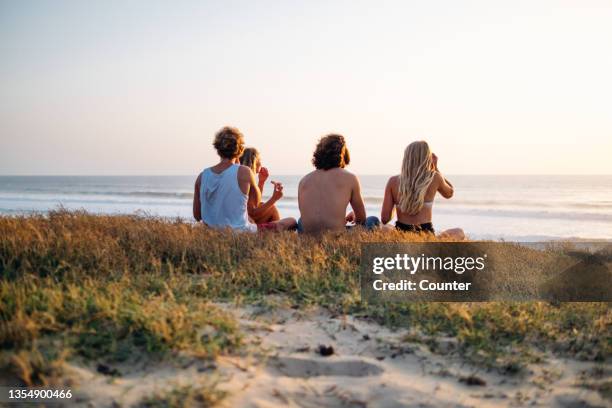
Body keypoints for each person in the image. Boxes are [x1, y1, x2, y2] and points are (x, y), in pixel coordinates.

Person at [193, 126, 296, 232]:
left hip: (212, 233)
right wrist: (273, 196)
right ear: (240, 149)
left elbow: (197, 216)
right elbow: (256, 202)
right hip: (242, 233)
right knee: (291, 221)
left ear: (217, 149)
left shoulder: (202, 176)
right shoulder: (244, 172)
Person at [380, 140, 464, 239]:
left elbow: (385, 219)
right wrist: (436, 168)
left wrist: (397, 203)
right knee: (459, 232)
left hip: (402, 236)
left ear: (407, 158)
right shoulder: (435, 177)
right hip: (426, 237)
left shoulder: (393, 181)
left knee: (381, 226)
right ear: (427, 158)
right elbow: (449, 193)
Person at [298, 134, 380, 233]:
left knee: (300, 221)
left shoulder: (303, 181)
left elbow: (306, 216)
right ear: (342, 153)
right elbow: (361, 219)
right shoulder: (350, 178)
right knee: (373, 220)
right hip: (336, 237)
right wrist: (353, 215)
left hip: (308, 236)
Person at [239, 147, 281, 224]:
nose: (261, 163)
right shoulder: (247, 179)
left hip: (243, 219)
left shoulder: (241, 175)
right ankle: (276, 232)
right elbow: (252, 213)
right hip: (245, 222)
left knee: (262, 205)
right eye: (259, 160)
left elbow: (255, 201)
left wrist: (261, 182)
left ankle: (273, 231)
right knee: (272, 209)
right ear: (254, 162)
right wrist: (274, 199)